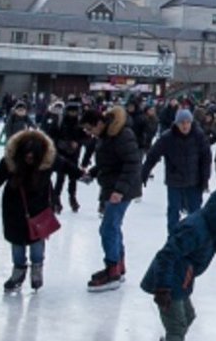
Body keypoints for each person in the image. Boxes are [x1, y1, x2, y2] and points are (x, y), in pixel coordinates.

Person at [0, 129, 79, 292]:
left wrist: (83, 174)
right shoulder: (10, 162)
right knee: (17, 240)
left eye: (33, 155)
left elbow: (68, 167)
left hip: (40, 207)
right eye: (26, 155)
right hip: (14, 208)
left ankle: (37, 269)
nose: (29, 158)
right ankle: (18, 271)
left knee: (37, 239)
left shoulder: (49, 160)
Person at [141, 185, 216, 341]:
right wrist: (162, 289)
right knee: (176, 327)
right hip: (169, 281)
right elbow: (166, 256)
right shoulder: (194, 229)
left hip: (182, 279)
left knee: (188, 317)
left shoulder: (212, 227)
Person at [80, 106, 143, 292]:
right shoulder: (107, 135)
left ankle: (112, 270)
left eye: (90, 129)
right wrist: (92, 173)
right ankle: (118, 266)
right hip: (112, 187)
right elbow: (107, 162)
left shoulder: (122, 134)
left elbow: (133, 163)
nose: (90, 133)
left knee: (108, 228)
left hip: (121, 189)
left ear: (99, 123)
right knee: (113, 227)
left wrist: (119, 190)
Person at [142, 109, 212, 236]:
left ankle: (195, 238)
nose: (185, 126)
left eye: (187, 122)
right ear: (176, 123)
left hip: (194, 180)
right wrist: (144, 172)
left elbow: (206, 158)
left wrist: (205, 179)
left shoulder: (198, 135)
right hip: (175, 180)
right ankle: (173, 239)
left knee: (195, 212)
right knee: (173, 211)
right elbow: (153, 155)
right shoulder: (168, 137)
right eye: (182, 123)